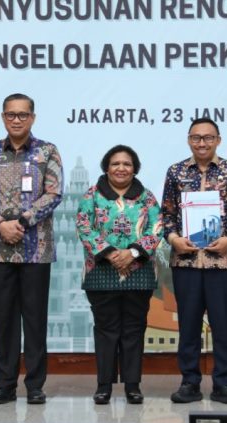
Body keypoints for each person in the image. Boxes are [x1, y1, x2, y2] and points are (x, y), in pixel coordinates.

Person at [0, 93, 63, 405]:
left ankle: (35, 386)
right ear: (3, 117)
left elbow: (54, 193)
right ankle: (5, 385)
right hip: (0, 248)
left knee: (35, 320)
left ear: (32, 118)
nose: (16, 120)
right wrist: (1, 223)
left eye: (23, 114)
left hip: (37, 249)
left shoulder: (47, 151)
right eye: (11, 114)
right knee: (5, 321)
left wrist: (22, 221)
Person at [161, 117, 227, 404]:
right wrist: (173, 238)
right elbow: (167, 213)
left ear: (218, 140)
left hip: (222, 261)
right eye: (196, 137)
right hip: (186, 261)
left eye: (208, 137)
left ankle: (223, 384)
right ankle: (189, 383)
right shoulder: (176, 172)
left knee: (223, 326)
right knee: (188, 326)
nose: (202, 143)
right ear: (189, 140)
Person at [76, 145, 163, 405]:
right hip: (101, 272)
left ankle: (133, 386)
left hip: (139, 273)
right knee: (106, 330)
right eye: (115, 164)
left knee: (134, 330)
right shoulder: (92, 195)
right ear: (106, 168)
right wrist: (111, 253)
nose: (121, 168)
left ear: (135, 169)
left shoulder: (147, 197)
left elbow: (157, 228)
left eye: (127, 164)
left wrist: (133, 253)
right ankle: (103, 386)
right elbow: (84, 226)